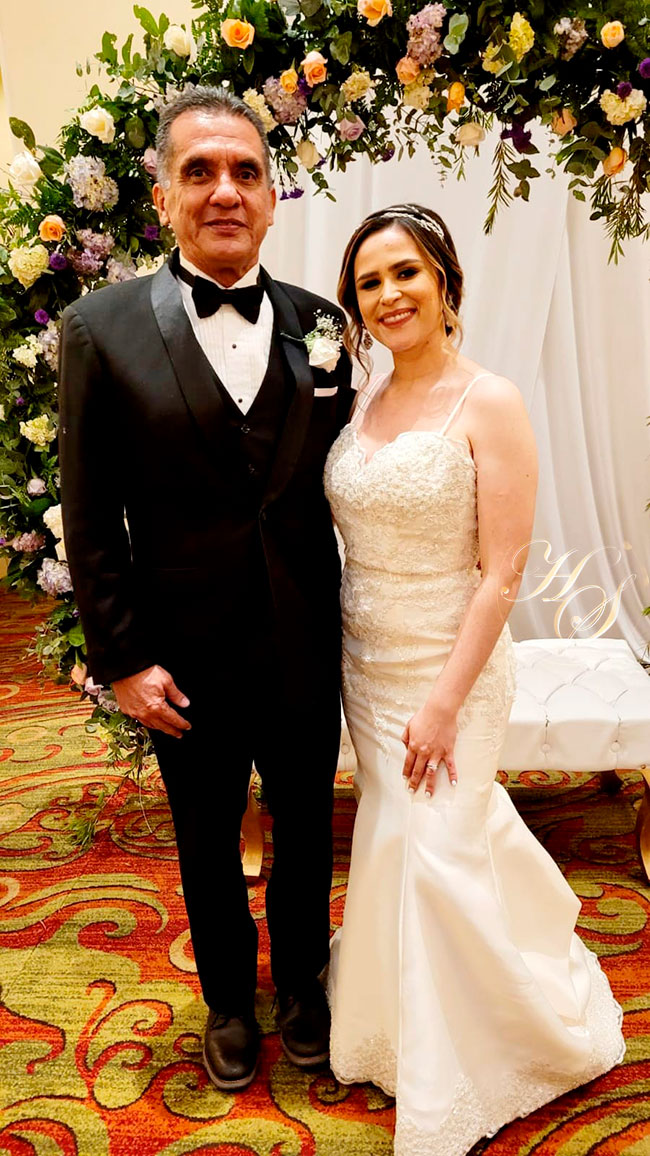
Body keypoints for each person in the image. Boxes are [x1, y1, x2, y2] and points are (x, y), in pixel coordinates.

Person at [59, 87, 354, 1093]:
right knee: (204, 838)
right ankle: (228, 1001)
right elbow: (90, 513)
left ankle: (305, 988)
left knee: (308, 833)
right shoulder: (98, 328)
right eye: (199, 171)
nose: (224, 191)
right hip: (181, 659)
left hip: (306, 641)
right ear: (163, 196)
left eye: (245, 172)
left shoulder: (322, 325)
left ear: (271, 198)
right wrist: (123, 660)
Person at [324, 204, 624, 1155]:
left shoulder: (488, 400)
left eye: (405, 272)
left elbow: (503, 574)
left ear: (445, 280)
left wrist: (446, 702)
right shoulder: (360, 401)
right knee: (391, 838)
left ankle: (504, 1044)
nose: (389, 295)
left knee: (442, 850)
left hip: (450, 667)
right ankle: (391, 1025)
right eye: (369, 282)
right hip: (366, 665)